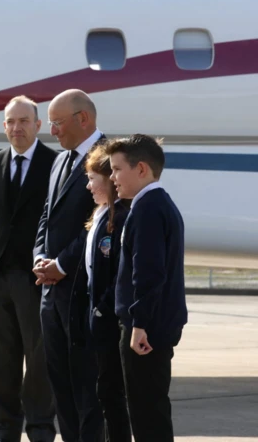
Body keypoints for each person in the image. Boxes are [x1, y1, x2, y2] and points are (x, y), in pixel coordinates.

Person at [0, 96, 57, 442]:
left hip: (34, 279)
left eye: (24, 121)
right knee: (0, 361)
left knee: (38, 360)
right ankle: (5, 428)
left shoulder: (54, 165)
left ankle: (40, 428)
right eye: (10, 122)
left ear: (38, 125)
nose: (17, 128)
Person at [32, 89, 105, 442]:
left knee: (88, 389)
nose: (52, 131)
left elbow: (102, 220)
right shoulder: (61, 160)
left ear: (83, 119)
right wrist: (39, 258)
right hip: (52, 292)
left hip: (84, 292)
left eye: (57, 123)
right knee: (60, 384)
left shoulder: (108, 157)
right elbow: (47, 214)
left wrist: (62, 263)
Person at [105, 134, 188, 442]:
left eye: (116, 169)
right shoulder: (158, 204)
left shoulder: (148, 208)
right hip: (153, 323)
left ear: (141, 169)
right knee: (149, 407)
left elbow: (148, 272)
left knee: (146, 411)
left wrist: (139, 323)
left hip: (147, 328)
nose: (112, 177)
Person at [70, 144, 131, 441]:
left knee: (113, 394)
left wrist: (100, 310)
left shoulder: (120, 219)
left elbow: (119, 274)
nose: (89, 185)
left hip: (108, 320)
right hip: (95, 321)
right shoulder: (99, 215)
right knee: (102, 392)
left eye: (94, 178)